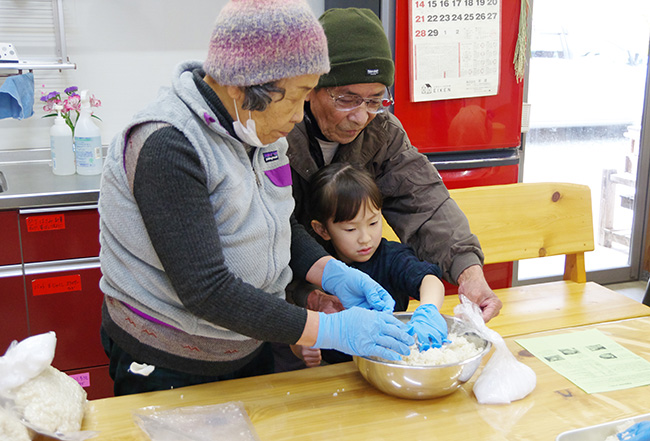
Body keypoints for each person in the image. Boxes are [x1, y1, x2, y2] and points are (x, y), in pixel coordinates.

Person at [97, 0, 414, 396]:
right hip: (169, 361)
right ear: (243, 86)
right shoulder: (168, 145)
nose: (300, 115)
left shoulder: (257, 131)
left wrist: (329, 271)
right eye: (297, 96)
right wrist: (330, 330)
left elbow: (279, 223)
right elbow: (206, 290)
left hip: (249, 342)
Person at [286, 7, 502, 322]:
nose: (360, 116)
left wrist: (468, 271)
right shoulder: (277, 133)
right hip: (287, 306)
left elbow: (425, 203)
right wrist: (306, 296)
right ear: (310, 89)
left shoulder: (382, 132)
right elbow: (271, 230)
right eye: (346, 99)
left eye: (374, 100)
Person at [291, 163, 449, 367]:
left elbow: (430, 280)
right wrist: (304, 345)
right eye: (350, 229)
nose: (365, 238)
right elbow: (296, 328)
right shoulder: (315, 269)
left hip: (390, 362)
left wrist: (429, 309)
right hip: (337, 370)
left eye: (373, 223)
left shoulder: (392, 258)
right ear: (322, 230)